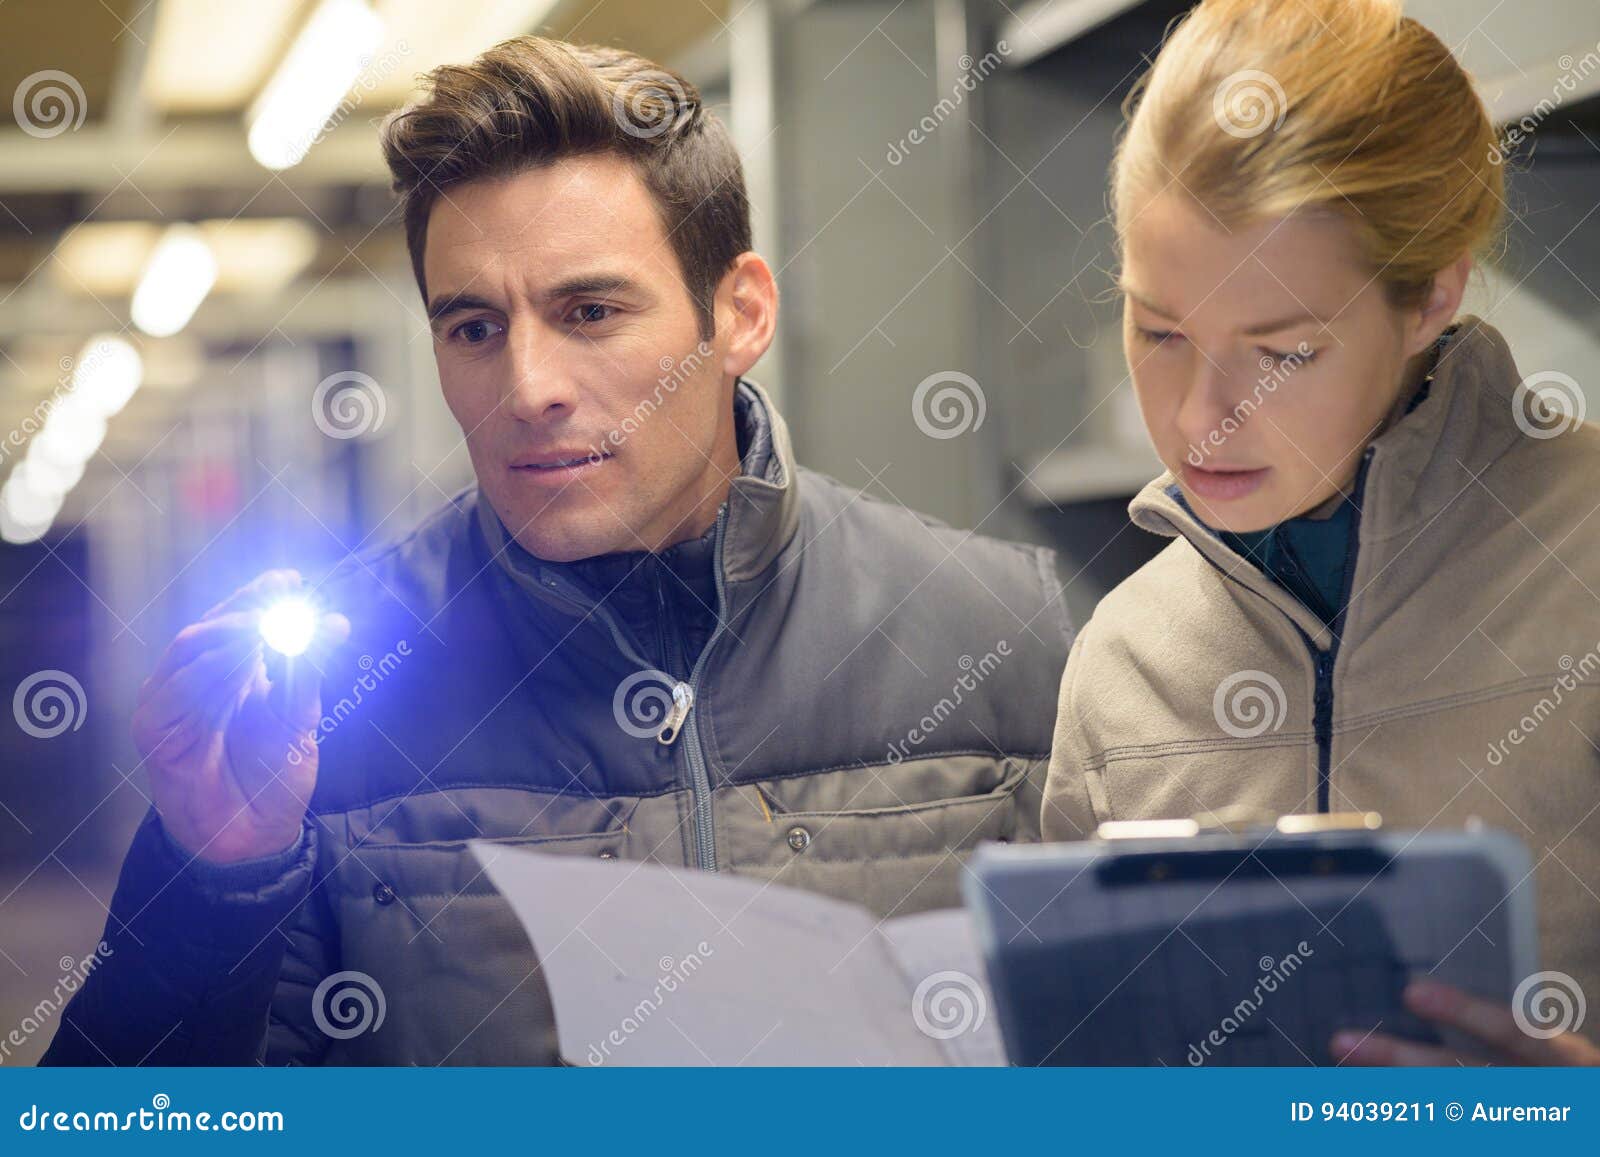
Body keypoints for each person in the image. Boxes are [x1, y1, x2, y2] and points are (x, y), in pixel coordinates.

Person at [43, 37, 1071, 1065]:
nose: (528, 387)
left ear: (740, 313)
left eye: (590, 312)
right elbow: (135, 1122)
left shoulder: (994, 631)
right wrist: (214, 881)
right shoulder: (327, 695)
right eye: (474, 328)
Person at [1041, 0, 1600, 1065]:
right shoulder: (1119, 655)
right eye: (1158, 331)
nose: (1201, 418)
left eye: (1284, 351)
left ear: (1429, 295)